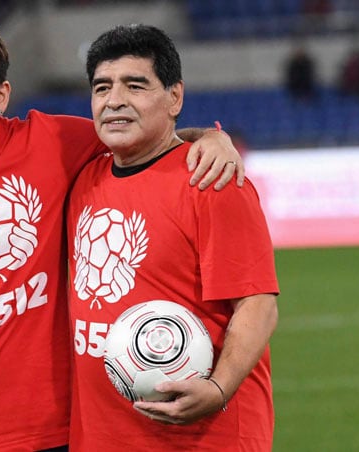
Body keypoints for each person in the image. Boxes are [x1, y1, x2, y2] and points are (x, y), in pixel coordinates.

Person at [0, 22, 244, 452]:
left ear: (1, 95)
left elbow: (143, 133)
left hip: (51, 437)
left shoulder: (54, 142)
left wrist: (211, 137)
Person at [65, 24, 279, 450]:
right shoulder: (83, 177)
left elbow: (257, 304)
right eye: (102, 87)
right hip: (104, 437)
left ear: (174, 97)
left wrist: (218, 389)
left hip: (200, 438)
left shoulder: (211, 180)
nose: (115, 101)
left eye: (135, 85)